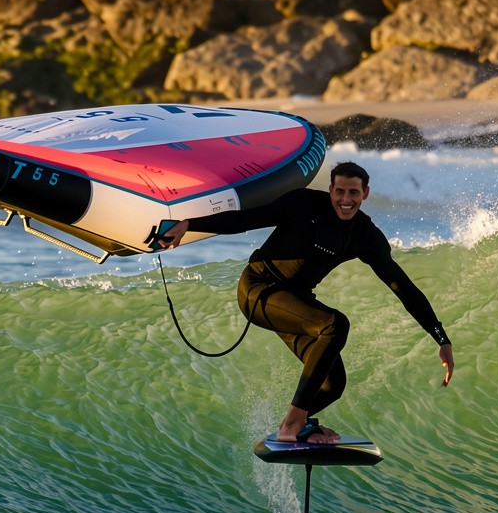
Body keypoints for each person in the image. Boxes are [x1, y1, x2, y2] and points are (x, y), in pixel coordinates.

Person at [159, 162, 454, 444]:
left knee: (332, 385)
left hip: (295, 300)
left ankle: (298, 424)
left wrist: (440, 337)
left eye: (353, 192)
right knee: (335, 325)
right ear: (330, 190)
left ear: (365, 193)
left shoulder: (365, 235)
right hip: (258, 288)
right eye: (339, 191)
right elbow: (246, 219)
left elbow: (402, 287)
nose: (345, 199)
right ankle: (293, 424)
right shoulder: (303, 204)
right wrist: (189, 224)